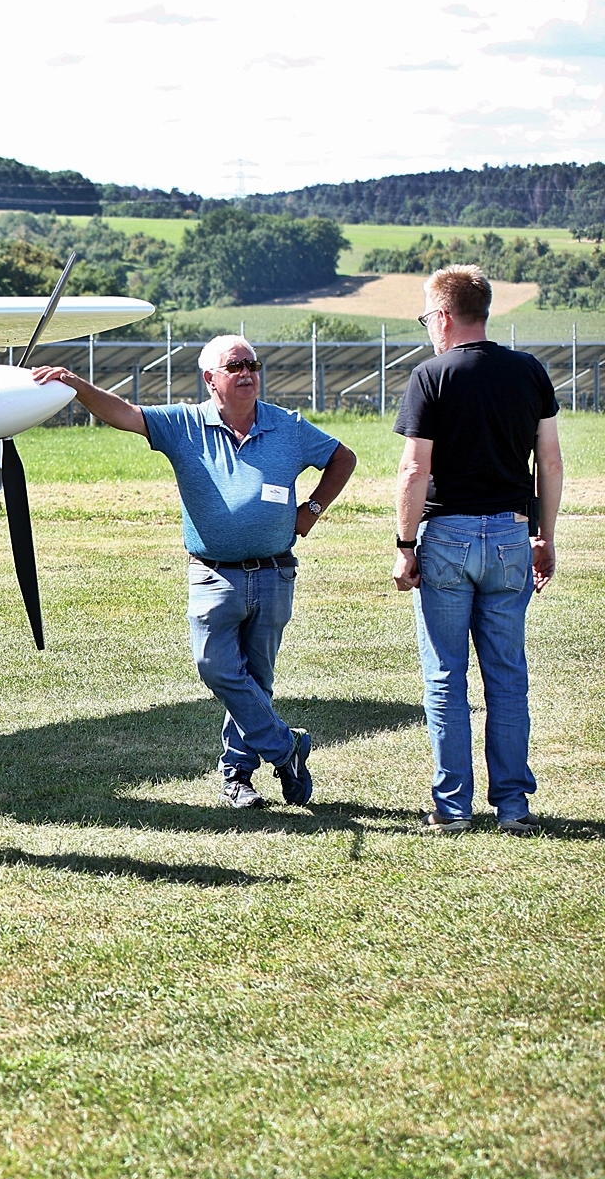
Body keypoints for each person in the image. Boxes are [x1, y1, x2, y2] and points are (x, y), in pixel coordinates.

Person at [33, 336, 356, 808]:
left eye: (252, 364)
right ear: (210, 379)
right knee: (217, 669)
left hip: (273, 572)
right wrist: (75, 384)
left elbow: (342, 458)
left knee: (256, 680)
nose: (247, 373)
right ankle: (287, 748)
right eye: (235, 366)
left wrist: (313, 507)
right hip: (211, 574)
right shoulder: (184, 424)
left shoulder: (288, 426)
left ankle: (238, 777)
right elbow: (125, 414)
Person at [391, 264, 562, 836]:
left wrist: (404, 544)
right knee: (508, 676)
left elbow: (416, 468)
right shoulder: (530, 372)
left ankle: (454, 807)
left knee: (446, 675)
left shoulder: (431, 376)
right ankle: (514, 805)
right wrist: (545, 535)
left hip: (447, 538)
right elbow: (551, 463)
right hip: (512, 536)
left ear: (442, 317)